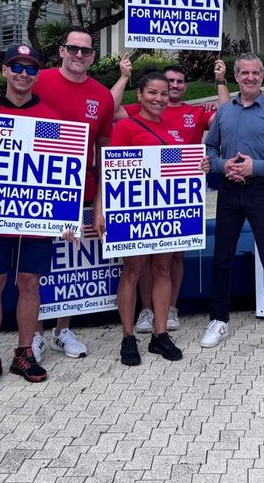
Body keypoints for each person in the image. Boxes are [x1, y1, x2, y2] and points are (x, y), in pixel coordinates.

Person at [0, 26, 115, 359]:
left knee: (61, 271)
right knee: (15, 280)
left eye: (86, 50)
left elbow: (104, 149)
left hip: (70, 194)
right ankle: (30, 337)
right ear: (62, 51)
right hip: (8, 202)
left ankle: (61, 330)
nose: (79, 55)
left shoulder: (102, 96)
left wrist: (99, 206)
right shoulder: (40, 81)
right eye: (73, 48)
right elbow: (8, 106)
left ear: (93, 56)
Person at [111, 59, 227, 335]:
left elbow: (226, 116)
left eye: (176, 83)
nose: (167, 91)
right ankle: (144, 313)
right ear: (143, 93)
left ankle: (167, 314)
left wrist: (221, 79)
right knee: (140, 264)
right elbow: (109, 109)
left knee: (170, 258)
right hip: (139, 200)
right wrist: (125, 76)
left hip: (177, 197)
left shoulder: (193, 113)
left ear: (184, 87)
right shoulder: (132, 117)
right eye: (160, 88)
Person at [0, 44, 65, 388]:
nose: (24, 74)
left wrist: (65, 217)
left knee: (29, 283)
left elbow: (61, 172)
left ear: (37, 75)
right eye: (17, 67)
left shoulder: (52, 119)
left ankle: (24, 352)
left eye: (31, 69)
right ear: (4, 71)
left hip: (35, 215)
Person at [100, 71, 207, 365]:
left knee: (162, 270)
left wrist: (201, 165)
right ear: (140, 95)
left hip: (165, 213)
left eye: (163, 94)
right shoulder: (125, 127)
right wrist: (101, 211)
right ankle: (128, 336)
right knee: (133, 272)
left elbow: (180, 167)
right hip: (134, 213)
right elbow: (111, 173)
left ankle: (160, 335)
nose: (159, 99)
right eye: (152, 93)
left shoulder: (172, 127)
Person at [201, 54, 264, 358]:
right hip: (229, 192)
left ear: (262, 76)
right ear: (236, 76)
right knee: (221, 259)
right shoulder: (224, 112)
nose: (250, 78)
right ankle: (219, 320)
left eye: (256, 73)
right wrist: (221, 164)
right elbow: (210, 148)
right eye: (244, 73)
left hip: (260, 191)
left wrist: (254, 167)